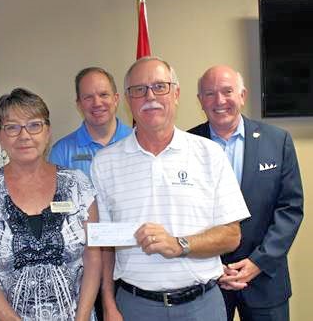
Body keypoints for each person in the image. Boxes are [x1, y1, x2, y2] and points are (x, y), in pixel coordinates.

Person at [91, 57, 251, 321]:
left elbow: (231, 236)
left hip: (202, 306)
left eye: (160, 87)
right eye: (139, 90)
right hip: (134, 306)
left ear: (176, 94)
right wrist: (108, 304)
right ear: (128, 100)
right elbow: (104, 244)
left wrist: (180, 245)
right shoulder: (105, 163)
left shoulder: (209, 153)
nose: (150, 96)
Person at [0, 88, 101, 320]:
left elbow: (93, 257)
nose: (24, 135)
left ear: (48, 132)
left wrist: (83, 316)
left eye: (34, 125)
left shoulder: (79, 185)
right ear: (0, 136)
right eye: (12, 127)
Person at [189, 65, 304, 321]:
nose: (219, 101)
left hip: (266, 279)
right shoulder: (186, 145)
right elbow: (182, 213)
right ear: (200, 101)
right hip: (207, 281)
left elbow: (290, 210)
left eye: (227, 91)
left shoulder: (277, 140)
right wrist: (214, 266)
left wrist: (257, 263)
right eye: (210, 93)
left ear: (242, 95)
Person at [49, 67, 132, 177]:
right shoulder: (62, 152)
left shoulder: (137, 140)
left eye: (103, 95)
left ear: (115, 99)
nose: (97, 103)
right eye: (88, 97)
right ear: (79, 104)